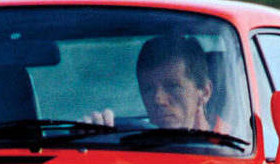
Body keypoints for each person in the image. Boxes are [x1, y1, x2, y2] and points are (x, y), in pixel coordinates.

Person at [85, 34, 219, 131]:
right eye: (148, 90)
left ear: (204, 93)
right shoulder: (131, 144)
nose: (158, 100)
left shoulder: (233, 147)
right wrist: (91, 139)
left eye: (173, 87)